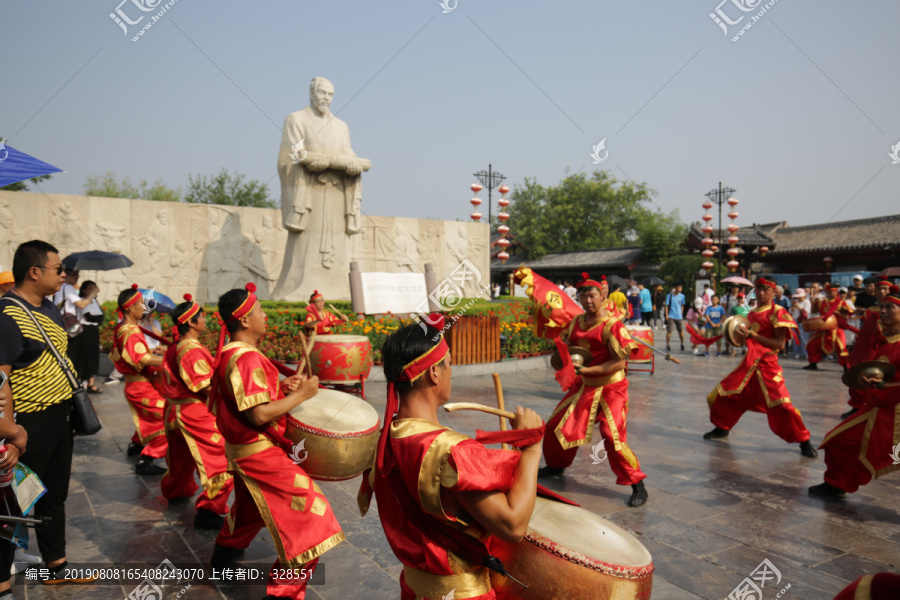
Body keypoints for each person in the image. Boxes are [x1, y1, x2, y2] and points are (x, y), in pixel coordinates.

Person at [358, 315, 544, 599]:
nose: (451, 371)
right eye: (449, 364)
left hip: (414, 588)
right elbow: (513, 526)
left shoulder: (385, 439)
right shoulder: (451, 451)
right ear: (434, 372)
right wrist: (532, 448)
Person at [209, 284, 344, 600]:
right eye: (259, 310)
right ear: (244, 320)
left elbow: (244, 402)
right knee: (312, 518)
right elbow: (257, 416)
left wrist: (281, 388)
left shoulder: (234, 353)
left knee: (250, 508)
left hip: (242, 449)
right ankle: (283, 592)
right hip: (257, 451)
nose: (265, 315)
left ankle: (225, 553)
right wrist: (300, 395)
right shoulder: (246, 358)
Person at [0, 240, 98, 589]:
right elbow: (2, 379)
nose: (64, 276)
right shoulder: (8, 314)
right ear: (34, 271)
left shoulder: (49, 309)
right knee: (12, 503)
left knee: (53, 494)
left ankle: (55, 566)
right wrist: (11, 431)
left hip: (60, 416)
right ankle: (2, 586)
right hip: (27, 421)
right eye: (58, 270)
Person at [537, 274, 648, 507]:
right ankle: (556, 466)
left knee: (612, 435)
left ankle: (637, 484)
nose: (588, 300)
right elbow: (566, 347)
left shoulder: (612, 325)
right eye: (583, 296)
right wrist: (562, 359)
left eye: (592, 295)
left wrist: (588, 370)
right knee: (555, 425)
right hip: (585, 386)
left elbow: (619, 362)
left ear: (602, 296)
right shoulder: (577, 322)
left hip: (611, 387)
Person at [704, 277, 818, 459]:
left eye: (766, 289)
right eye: (758, 289)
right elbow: (746, 338)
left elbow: (779, 344)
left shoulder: (778, 312)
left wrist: (753, 336)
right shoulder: (752, 312)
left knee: (784, 406)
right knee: (725, 395)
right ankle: (722, 428)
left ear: (774, 292)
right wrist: (738, 338)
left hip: (767, 366)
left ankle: (804, 441)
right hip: (749, 365)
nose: (762, 293)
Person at [809, 286, 900, 500]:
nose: (883, 311)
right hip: (879, 407)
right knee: (838, 441)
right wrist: (866, 379)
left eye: (890, 307)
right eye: (882, 307)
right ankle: (837, 483)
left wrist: (884, 387)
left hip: (894, 411)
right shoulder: (884, 339)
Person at [159, 294, 234, 530]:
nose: (205, 320)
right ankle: (210, 510)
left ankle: (176, 490)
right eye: (202, 317)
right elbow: (205, 387)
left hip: (176, 411)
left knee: (181, 461)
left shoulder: (177, 347)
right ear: (191, 323)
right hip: (194, 413)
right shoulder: (190, 350)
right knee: (220, 460)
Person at [110, 285, 169, 475]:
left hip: (139, 384)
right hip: (139, 386)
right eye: (141, 304)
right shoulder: (129, 331)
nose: (145, 307)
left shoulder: (126, 328)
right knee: (170, 417)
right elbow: (141, 359)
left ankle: (136, 445)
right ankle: (148, 459)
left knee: (149, 417)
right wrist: (173, 358)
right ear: (130, 308)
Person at [840, 276, 893, 420]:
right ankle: (857, 406)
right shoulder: (870, 311)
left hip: (888, 348)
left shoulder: (896, 309)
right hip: (869, 347)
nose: (882, 291)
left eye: (885, 288)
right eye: (879, 289)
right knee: (860, 374)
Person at [803, 283, 850, 371]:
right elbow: (814, 311)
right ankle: (813, 363)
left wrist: (838, 314)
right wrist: (812, 301)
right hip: (823, 329)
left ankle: (846, 366)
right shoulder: (822, 302)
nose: (829, 294)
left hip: (836, 329)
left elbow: (846, 316)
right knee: (811, 344)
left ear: (836, 293)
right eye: (828, 293)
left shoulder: (841, 302)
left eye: (831, 292)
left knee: (841, 347)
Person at [70, 281, 104, 393]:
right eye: (90, 288)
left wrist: (97, 318)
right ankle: (79, 381)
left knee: (93, 356)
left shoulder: (94, 301)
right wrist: (96, 318)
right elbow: (88, 317)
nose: (93, 290)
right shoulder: (82, 301)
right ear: (84, 290)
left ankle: (91, 383)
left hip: (93, 331)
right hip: (84, 331)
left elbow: (101, 317)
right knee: (82, 356)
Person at [664, 283, 686, 352]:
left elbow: (682, 305)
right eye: (679, 288)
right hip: (671, 315)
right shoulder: (669, 295)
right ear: (675, 288)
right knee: (669, 331)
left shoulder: (682, 296)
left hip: (679, 316)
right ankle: (667, 344)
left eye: (681, 288)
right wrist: (667, 315)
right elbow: (666, 306)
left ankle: (682, 344)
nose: (680, 289)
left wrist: (681, 314)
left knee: (680, 331)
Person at [791, 288, 811, 360]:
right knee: (796, 337)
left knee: (803, 338)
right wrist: (793, 307)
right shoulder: (796, 302)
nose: (798, 297)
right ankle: (797, 352)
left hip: (803, 321)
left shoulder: (807, 302)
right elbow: (791, 311)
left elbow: (806, 312)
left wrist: (798, 306)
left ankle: (805, 352)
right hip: (795, 320)